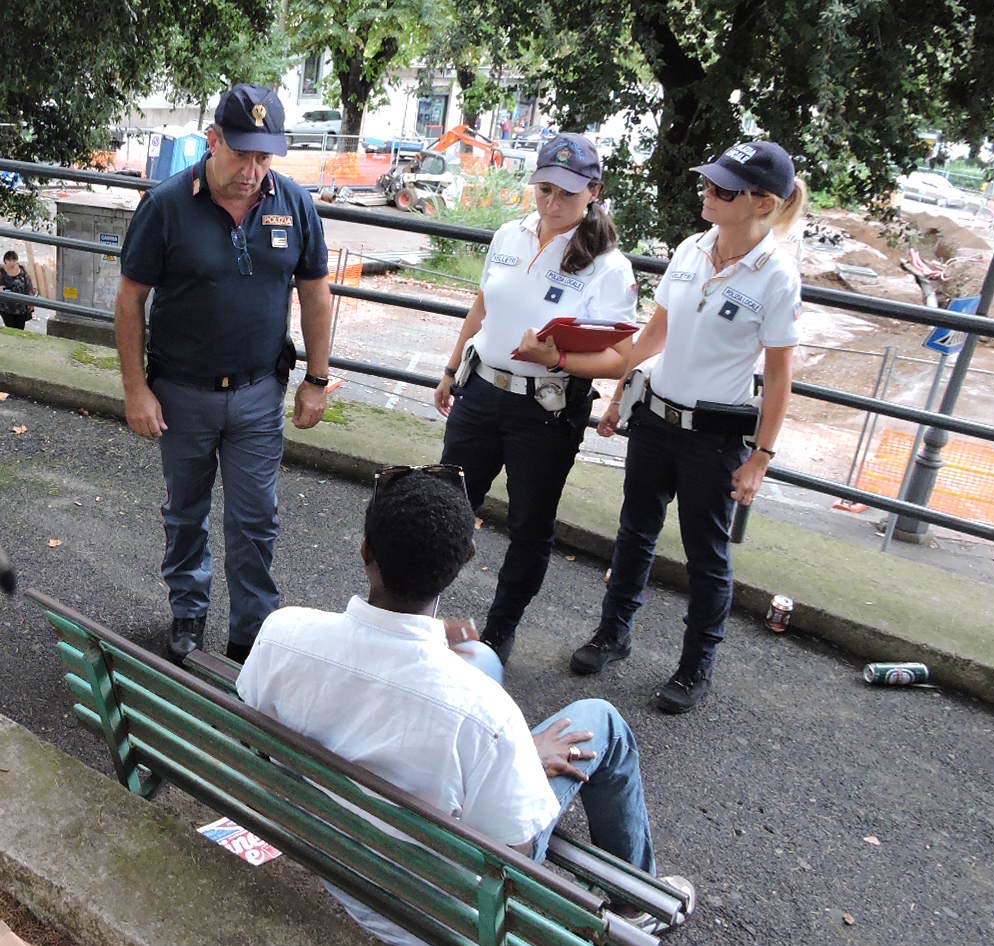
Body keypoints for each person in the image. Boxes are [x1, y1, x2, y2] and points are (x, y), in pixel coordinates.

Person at [237, 467, 681, 946]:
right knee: (602, 720)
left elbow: (253, 729)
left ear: (365, 549)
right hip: (432, 907)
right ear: (464, 560)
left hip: (322, 840)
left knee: (480, 658)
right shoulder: (489, 717)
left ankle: (493, 770)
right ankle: (635, 906)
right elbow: (515, 851)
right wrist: (524, 758)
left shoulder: (284, 632)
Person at [569, 141, 805, 714]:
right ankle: (613, 634)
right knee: (635, 532)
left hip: (715, 436)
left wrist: (761, 457)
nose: (708, 193)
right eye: (709, 182)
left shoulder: (776, 276)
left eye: (724, 189)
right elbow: (656, 333)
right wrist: (620, 396)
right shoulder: (691, 249)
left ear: (763, 203)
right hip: (656, 418)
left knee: (708, 556)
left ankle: (695, 665)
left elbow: (778, 378)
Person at [115, 84, 333, 666]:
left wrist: (316, 378)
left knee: (255, 518)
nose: (252, 170)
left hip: (260, 391)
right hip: (181, 392)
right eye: (242, 154)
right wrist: (136, 389)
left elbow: (315, 294)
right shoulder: (165, 205)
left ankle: (251, 629)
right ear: (213, 141)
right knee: (184, 511)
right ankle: (188, 610)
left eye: (264, 157)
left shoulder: (294, 203)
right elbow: (130, 299)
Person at [433, 134, 637, 665]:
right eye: (544, 189)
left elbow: (621, 357)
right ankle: (417, 609)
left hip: (544, 409)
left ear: (593, 191)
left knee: (529, 522)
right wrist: (452, 368)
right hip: (481, 392)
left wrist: (558, 361)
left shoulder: (607, 266)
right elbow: (482, 308)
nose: (551, 203)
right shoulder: (509, 233)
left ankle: (500, 630)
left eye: (566, 194)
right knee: (448, 504)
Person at [0, 251, 37, 330]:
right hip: (5, 307)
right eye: (9, 260)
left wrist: (31, 302)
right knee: (10, 328)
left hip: (21, 307)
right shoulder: (1, 271)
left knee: (20, 328)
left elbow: (29, 286)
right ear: (5, 261)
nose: (12, 262)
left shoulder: (22, 271)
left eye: (14, 260)